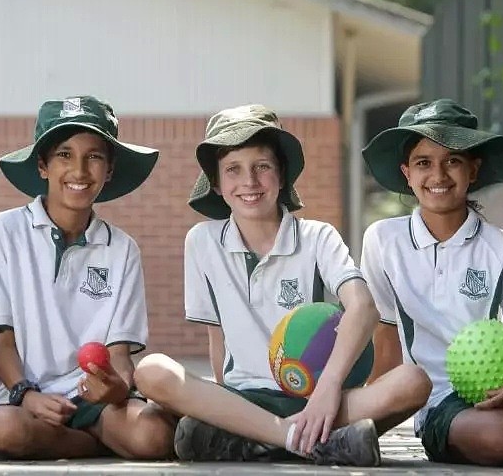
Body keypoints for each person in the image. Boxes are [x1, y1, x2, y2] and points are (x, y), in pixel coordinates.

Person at [134, 104, 431, 466]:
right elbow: (218, 341)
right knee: (152, 371)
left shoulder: (318, 236)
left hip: (316, 398)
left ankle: (252, 440)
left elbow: (364, 307)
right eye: (233, 170)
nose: (250, 182)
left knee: (414, 381)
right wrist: (221, 407)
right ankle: (300, 440)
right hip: (245, 400)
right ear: (216, 183)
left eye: (262, 166)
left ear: (282, 173)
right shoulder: (201, 241)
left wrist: (328, 387)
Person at [0, 95, 175, 459]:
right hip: (21, 397)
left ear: (109, 170)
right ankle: (92, 445)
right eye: (64, 155)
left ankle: (96, 436)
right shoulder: (6, 229)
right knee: (4, 430)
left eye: (94, 156)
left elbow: (120, 357)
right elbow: (2, 340)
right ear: (43, 166)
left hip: (92, 403)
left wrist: (114, 390)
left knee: (154, 437)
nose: (79, 171)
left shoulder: (122, 248)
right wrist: (27, 395)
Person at [361, 98, 503, 466]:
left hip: (501, 387)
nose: (438, 175)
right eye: (423, 163)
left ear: (473, 169)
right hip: (436, 401)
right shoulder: (383, 241)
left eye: (452, 160)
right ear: (406, 173)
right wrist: (367, 417)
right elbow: (384, 347)